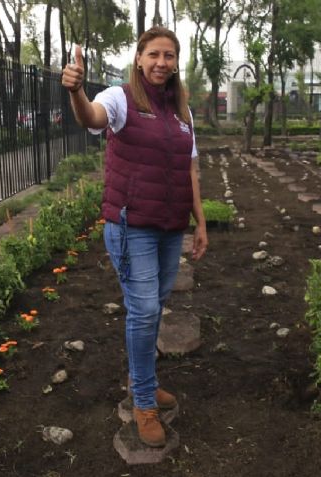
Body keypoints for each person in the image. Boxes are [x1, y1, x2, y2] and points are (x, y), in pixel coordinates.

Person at [61, 27, 208, 447]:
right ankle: (143, 400)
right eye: (154, 55)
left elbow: (190, 169)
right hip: (131, 227)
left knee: (154, 307)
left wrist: (199, 222)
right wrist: (76, 92)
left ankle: (140, 377)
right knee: (143, 310)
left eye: (169, 55)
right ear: (139, 58)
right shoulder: (119, 98)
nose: (162, 62)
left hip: (169, 228)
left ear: (176, 62)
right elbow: (91, 117)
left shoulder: (183, 112)